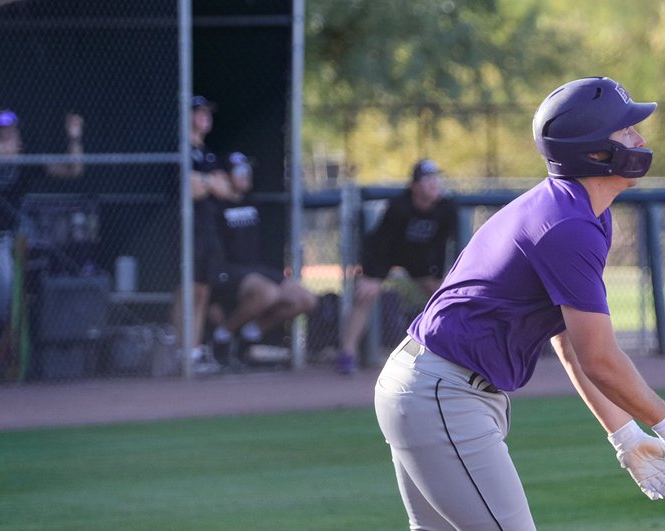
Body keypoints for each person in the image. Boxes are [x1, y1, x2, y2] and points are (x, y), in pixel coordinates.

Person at [205, 76, 665, 531]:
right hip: (445, 391)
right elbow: (599, 356)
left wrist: (623, 433)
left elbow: (568, 341)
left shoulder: (578, 209)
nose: (640, 137)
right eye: (626, 130)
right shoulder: (566, 223)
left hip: (435, 385)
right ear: (597, 153)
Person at [0, 107, 84, 381]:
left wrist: (74, 138)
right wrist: (1, 148)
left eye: (13, 128)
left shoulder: (25, 158)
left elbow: (73, 170)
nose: (10, 133)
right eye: (4, 128)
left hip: (0, 242)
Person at [335, 158, 457, 374]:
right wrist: (373, 275)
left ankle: (451, 351)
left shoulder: (446, 208)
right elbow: (381, 244)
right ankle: (347, 353)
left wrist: (437, 275)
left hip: (419, 257)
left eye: (436, 178)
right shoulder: (400, 207)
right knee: (364, 293)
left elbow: (441, 246)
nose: (434, 183)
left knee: (443, 295)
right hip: (386, 254)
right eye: (427, 179)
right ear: (415, 186)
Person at [207, 151, 317, 366]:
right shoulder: (214, 206)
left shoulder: (252, 201)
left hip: (255, 269)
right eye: (239, 171)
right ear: (225, 176)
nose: (245, 176)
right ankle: (222, 338)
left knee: (306, 300)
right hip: (228, 271)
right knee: (268, 293)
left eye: (247, 171)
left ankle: (248, 337)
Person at [170, 95, 238, 374]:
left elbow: (229, 190)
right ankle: (177, 352)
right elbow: (189, 189)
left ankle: (194, 351)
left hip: (210, 231)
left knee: (202, 292)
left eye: (207, 112)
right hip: (187, 230)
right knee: (187, 290)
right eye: (198, 111)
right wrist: (209, 183)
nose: (204, 116)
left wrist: (205, 182)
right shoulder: (179, 150)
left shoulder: (208, 153)